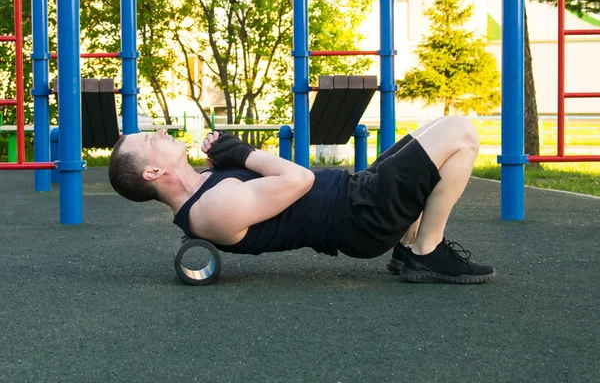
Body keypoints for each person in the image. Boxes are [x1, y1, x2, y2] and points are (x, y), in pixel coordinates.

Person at [108, 117, 496, 284]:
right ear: (152, 174)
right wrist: (241, 153)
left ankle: (410, 246)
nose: (158, 132)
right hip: (359, 217)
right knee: (461, 133)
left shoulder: (206, 182)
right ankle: (426, 251)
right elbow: (300, 179)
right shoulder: (210, 210)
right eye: (149, 140)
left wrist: (230, 157)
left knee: (434, 129)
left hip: (355, 192)